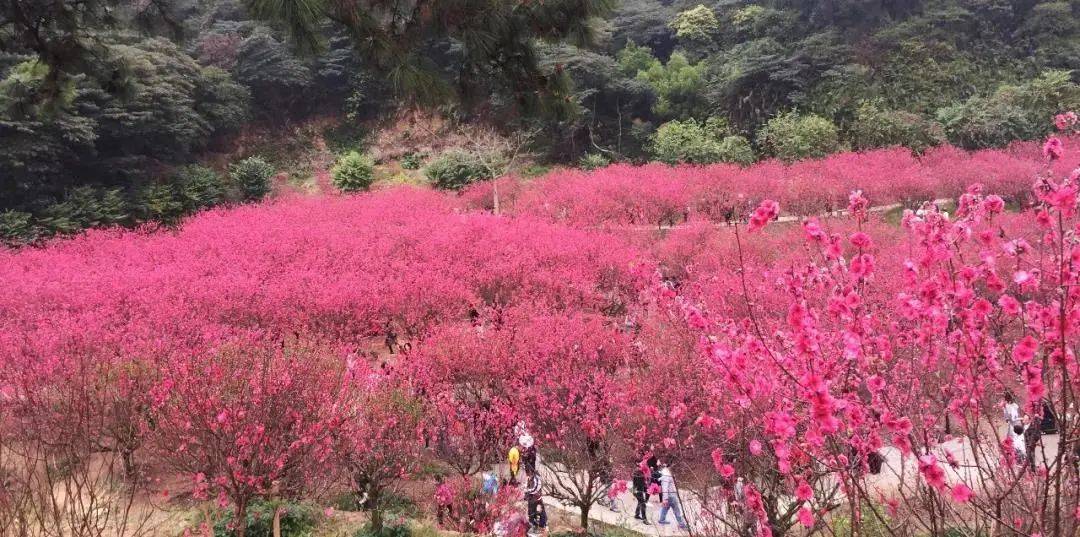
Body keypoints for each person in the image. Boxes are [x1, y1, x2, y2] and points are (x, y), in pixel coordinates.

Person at [657, 466, 688, 530]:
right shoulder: (666, 476)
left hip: (670, 495)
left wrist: (665, 499)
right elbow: (665, 488)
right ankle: (682, 524)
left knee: (665, 508)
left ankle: (661, 519)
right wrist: (665, 499)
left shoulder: (667, 475)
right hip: (671, 496)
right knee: (676, 510)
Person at [524, 466, 546, 536]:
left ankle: (541, 526)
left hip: (537, 499)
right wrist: (526, 494)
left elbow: (535, 489)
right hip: (531, 499)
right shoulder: (530, 478)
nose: (527, 475)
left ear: (531, 472)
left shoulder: (537, 478)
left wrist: (527, 490)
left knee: (540, 513)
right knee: (531, 514)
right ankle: (533, 526)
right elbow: (528, 486)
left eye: (528, 473)